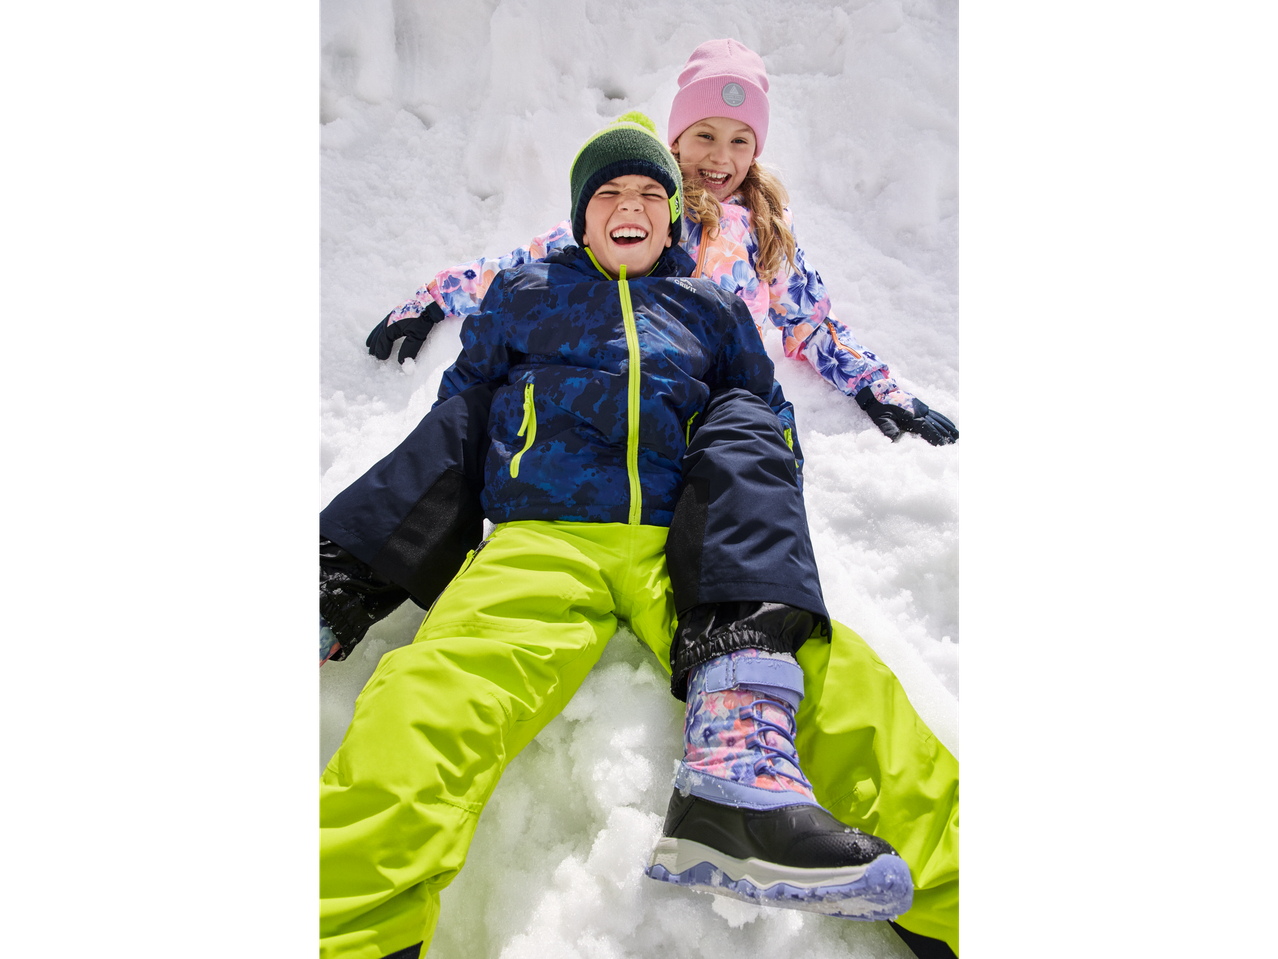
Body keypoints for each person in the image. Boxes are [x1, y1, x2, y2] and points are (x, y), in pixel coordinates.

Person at [318, 112, 950, 959]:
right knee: (427, 701)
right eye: (609, 191)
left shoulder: (710, 308)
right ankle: (345, 929)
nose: (631, 203)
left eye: (651, 191)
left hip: (684, 544)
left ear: (670, 214)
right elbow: (457, 416)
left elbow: (768, 425)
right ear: (581, 218)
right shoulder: (528, 294)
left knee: (839, 688)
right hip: (540, 539)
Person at [366, 39, 959, 447]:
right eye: (704, 135)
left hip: (718, 401)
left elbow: (809, 323)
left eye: (740, 141)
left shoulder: (763, 225)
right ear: (676, 139)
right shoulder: (647, 207)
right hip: (627, 384)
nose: (720, 157)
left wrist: (875, 387)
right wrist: (436, 297)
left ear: (757, 151)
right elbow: (533, 267)